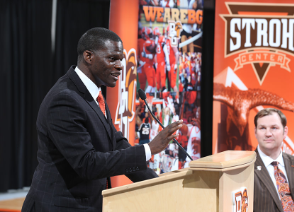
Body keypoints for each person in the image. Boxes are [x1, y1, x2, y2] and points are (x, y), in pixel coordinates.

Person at [21, 27, 183, 212]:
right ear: (88, 57)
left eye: (120, 59)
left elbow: (115, 143)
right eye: (112, 59)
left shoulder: (93, 92)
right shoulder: (64, 99)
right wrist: (148, 149)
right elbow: (87, 164)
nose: (120, 66)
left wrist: (160, 184)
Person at [253, 108, 294, 212]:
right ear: (255, 132)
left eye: (274, 128)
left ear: (285, 132)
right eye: (262, 128)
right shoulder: (245, 169)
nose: (268, 133)